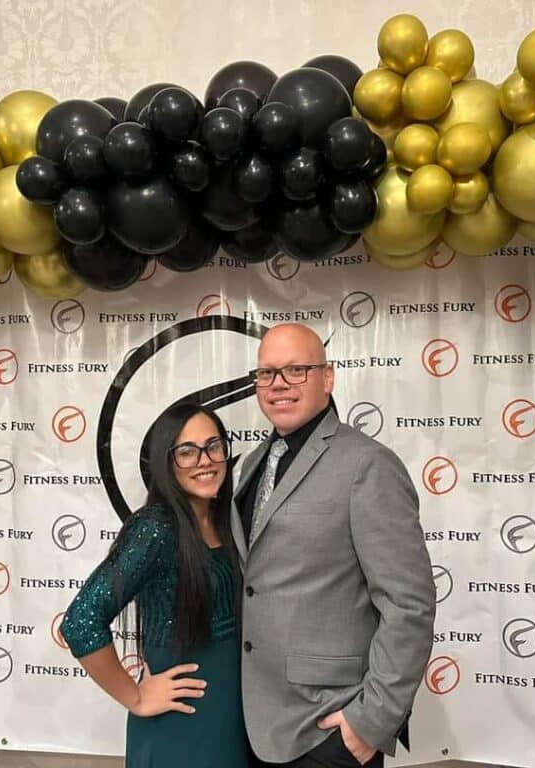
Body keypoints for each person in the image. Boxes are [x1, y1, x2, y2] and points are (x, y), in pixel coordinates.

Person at [235, 323, 436, 768]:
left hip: (327, 728)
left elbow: (409, 604)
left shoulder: (368, 464)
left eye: (296, 370)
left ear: (327, 378)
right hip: (253, 721)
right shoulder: (251, 464)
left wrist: (371, 720)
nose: (278, 384)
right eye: (267, 373)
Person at [60, 402, 249, 768]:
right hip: (183, 723)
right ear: (166, 462)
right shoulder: (155, 529)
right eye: (187, 452)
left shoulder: (227, 519)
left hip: (233, 719)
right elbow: (81, 621)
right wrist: (136, 697)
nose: (205, 460)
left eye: (213, 446)